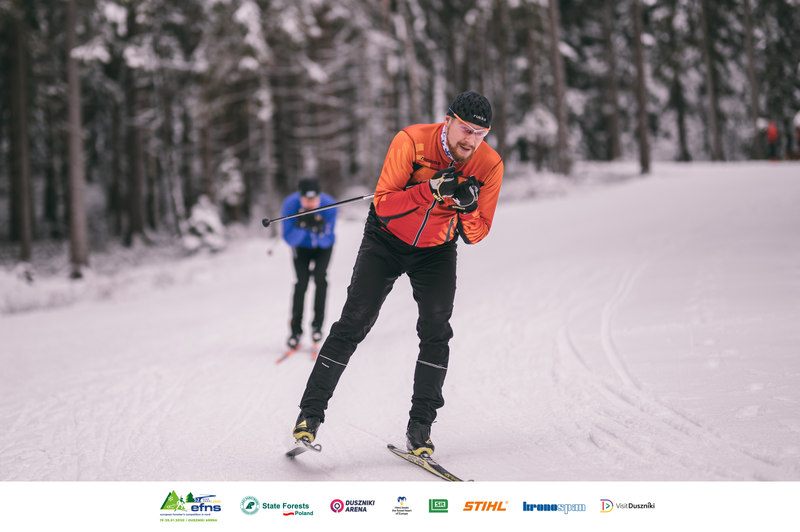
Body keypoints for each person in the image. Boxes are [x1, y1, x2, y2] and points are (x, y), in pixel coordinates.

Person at [291, 91, 504, 457]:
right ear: (448, 121)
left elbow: (477, 234)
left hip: (436, 250)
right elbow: (385, 204)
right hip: (385, 239)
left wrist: (467, 208)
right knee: (354, 322)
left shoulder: (489, 165)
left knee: (436, 332)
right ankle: (309, 416)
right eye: (466, 129)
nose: (471, 140)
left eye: (480, 134)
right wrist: (430, 190)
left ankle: (420, 428)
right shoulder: (412, 141)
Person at [281, 177, 338, 349]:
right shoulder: (290, 205)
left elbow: (328, 239)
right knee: (302, 282)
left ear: (320, 196)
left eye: (314, 199)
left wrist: (318, 229)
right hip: (301, 248)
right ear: (300, 197)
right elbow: (289, 238)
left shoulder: (330, 205)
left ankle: (317, 327)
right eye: (306, 199)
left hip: (323, 248)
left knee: (320, 279)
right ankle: (295, 331)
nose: (310, 203)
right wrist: (301, 226)